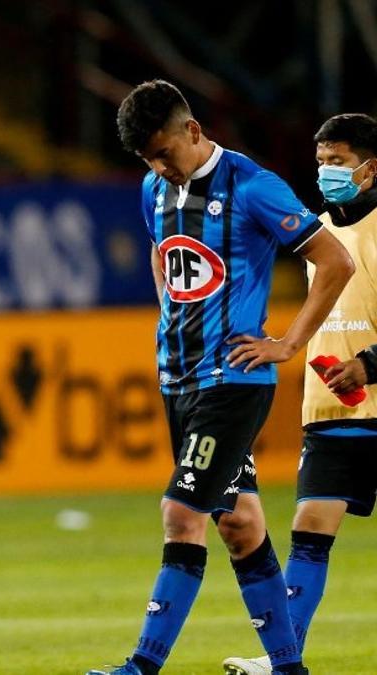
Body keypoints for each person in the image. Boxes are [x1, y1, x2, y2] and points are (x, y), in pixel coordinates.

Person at [85, 80, 355, 675]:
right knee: (239, 522)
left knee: (182, 514)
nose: (160, 168)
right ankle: (289, 667)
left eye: (165, 154)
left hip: (232, 382)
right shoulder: (155, 187)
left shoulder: (252, 186)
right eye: (148, 160)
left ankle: (141, 666)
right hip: (176, 379)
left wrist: (288, 342)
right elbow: (164, 255)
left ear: (193, 131)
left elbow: (336, 261)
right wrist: (171, 319)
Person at [221, 115, 377, 674]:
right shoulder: (317, 234)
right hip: (332, 410)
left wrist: (370, 364)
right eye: (320, 163)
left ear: (369, 167)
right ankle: (282, 658)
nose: (325, 173)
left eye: (337, 162)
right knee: (309, 530)